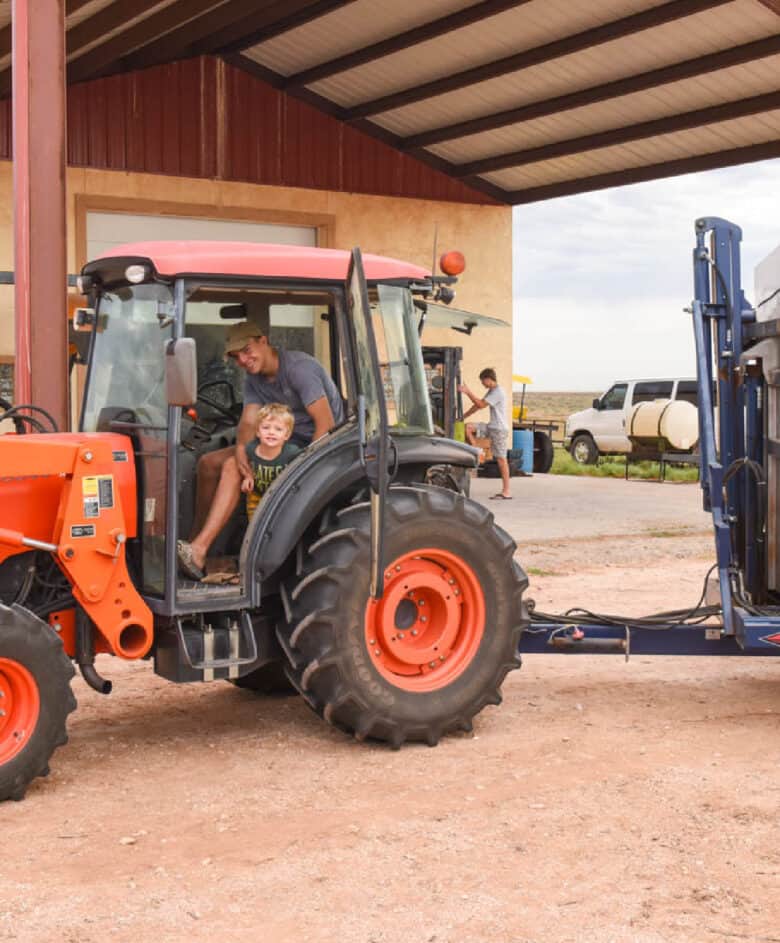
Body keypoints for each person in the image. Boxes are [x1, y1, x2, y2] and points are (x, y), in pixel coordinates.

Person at [177, 317, 344, 580]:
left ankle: (199, 548)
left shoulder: (299, 369)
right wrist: (243, 450)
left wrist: (301, 470)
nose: (243, 360)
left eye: (246, 351)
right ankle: (197, 546)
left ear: (263, 341)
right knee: (208, 463)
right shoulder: (255, 379)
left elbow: (326, 425)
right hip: (276, 440)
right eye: (236, 357)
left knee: (232, 467)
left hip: (311, 448)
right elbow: (247, 421)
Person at [460, 367, 511, 500]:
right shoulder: (491, 391)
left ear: (489, 379)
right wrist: (463, 416)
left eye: (483, 381)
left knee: (501, 460)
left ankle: (506, 491)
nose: (482, 384)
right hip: (491, 427)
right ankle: (478, 451)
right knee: (468, 427)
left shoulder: (498, 392)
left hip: (499, 430)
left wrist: (467, 392)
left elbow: (481, 404)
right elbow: (477, 406)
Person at [242, 403, 300, 520]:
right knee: (255, 525)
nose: (271, 432)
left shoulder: (292, 453)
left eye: (278, 429)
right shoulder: (251, 449)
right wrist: (247, 477)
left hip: (280, 497)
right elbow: (247, 464)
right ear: (258, 432)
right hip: (256, 497)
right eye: (266, 427)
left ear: (287, 435)